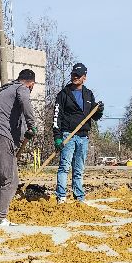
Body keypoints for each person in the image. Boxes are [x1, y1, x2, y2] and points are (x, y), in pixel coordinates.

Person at [0, 67, 38, 226]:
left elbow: (11, 117)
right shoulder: (22, 88)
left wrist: (24, 133)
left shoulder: (4, 91)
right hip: (0, 138)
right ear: (31, 84)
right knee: (10, 180)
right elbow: (25, 102)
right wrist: (32, 125)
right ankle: (0, 218)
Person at [52, 62, 103, 203]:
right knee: (64, 167)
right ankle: (61, 196)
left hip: (83, 137)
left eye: (78, 75)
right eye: (73, 74)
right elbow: (56, 117)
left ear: (84, 77)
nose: (75, 77)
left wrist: (99, 111)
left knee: (79, 169)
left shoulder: (88, 94)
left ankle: (79, 197)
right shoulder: (63, 94)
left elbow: (94, 116)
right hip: (68, 135)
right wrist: (57, 137)